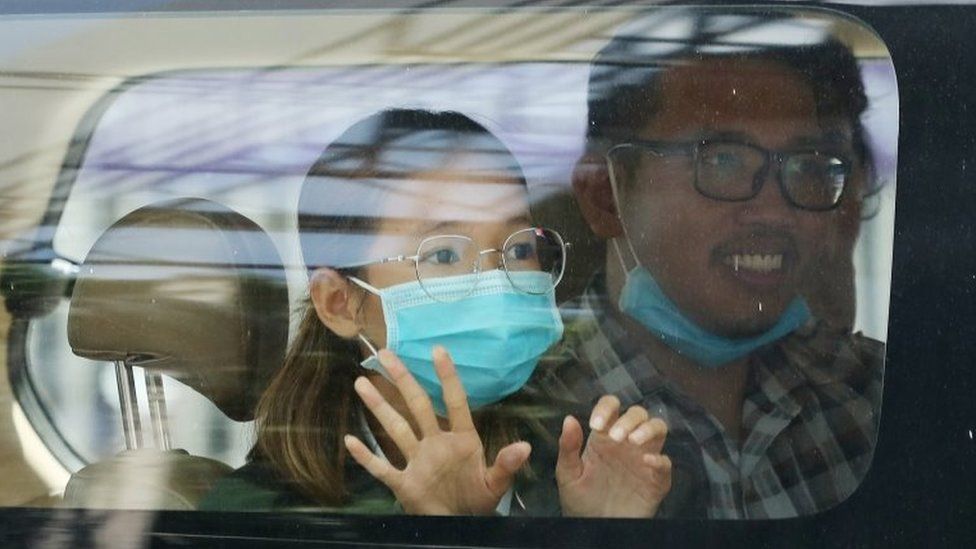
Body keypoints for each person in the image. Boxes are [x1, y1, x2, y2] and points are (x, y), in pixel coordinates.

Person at [200, 108, 672, 516]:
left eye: (517, 249)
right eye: (444, 255)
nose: (496, 281)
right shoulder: (259, 516)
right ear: (340, 304)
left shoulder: (603, 458)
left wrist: (599, 534)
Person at [530, 12, 885, 519]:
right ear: (603, 196)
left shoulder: (870, 397)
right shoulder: (522, 428)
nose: (774, 211)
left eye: (808, 166)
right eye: (720, 160)